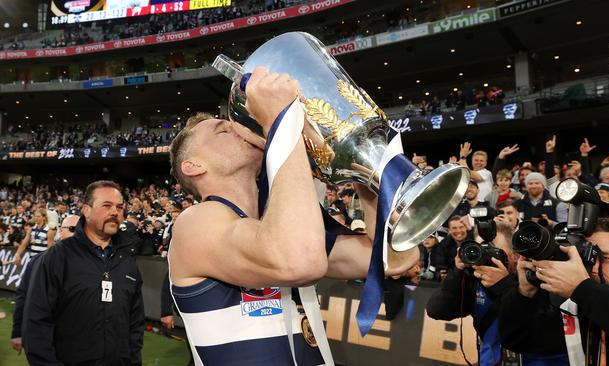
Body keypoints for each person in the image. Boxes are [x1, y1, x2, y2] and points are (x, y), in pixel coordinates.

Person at [167, 67, 419, 365]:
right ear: (193, 166)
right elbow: (299, 261)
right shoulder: (195, 223)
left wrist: (363, 167)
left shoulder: (282, 227)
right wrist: (281, 120)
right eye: (223, 130)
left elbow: (396, 258)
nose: (239, 127)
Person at [22, 181, 145, 365]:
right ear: (86, 210)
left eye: (119, 207)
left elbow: (135, 325)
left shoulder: (127, 262)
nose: (115, 212)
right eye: (106, 206)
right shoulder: (57, 257)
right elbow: (36, 323)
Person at [499, 218, 609, 365]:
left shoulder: (588, 296)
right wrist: (525, 291)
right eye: (588, 257)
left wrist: (583, 288)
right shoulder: (578, 311)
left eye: (606, 259)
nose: (590, 268)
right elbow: (516, 340)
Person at [426, 222, 524, 366]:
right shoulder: (475, 283)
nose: (486, 258)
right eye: (480, 251)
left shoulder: (530, 282)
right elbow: (436, 310)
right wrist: (457, 273)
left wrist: (503, 285)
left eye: (493, 251)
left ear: (515, 255)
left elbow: (538, 327)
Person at [10, 215, 79, 356]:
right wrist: (17, 332)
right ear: (61, 231)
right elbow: (23, 298)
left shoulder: (95, 265)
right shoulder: (37, 263)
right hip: (47, 344)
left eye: (81, 230)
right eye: (72, 229)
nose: (77, 233)